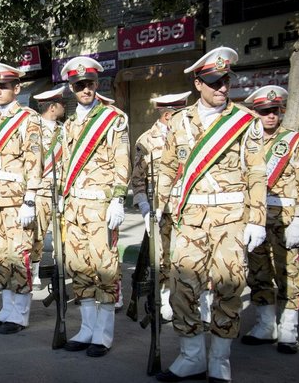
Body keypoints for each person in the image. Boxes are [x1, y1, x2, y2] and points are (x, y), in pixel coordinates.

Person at [155, 47, 267, 383]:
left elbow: (257, 173)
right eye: (214, 81)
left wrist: (257, 219)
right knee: (182, 288)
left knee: (229, 288)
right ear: (198, 83)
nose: (221, 87)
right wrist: (159, 206)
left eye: (226, 80)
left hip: (231, 218)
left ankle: (219, 359)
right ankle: (192, 357)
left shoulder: (246, 121)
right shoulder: (178, 121)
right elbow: (168, 167)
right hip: (188, 217)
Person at [57, 57, 129, 357]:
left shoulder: (113, 118)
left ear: (97, 84)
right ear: (72, 88)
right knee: (80, 268)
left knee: (105, 268)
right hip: (74, 206)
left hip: (101, 206)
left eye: (89, 84)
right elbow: (64, 163)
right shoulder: (70, 123)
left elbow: (121, 159)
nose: (85, 89)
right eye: (79, 85)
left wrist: (118, 197)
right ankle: (86, 328)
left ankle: (103, 333)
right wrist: (61, 193)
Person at [241, 85, 299, 354]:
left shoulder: (296, 141)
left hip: (286, 218)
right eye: (264, 111)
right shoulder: (248, 141)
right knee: (258, 272)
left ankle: (289, 329)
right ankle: (265, 325)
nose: (270, 116)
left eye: (275, 110)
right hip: (256, 218)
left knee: (289, 274)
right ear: (255, 113)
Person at [0, 62, 42, 334]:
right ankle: (6, 308)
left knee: (19, 255)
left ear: (17, 88)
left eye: (3, 86)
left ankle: (20, 313)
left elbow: (34, 159)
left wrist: (30, 198)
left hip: (16, 201)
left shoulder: (28, 119)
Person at [130, 91, 191, 321]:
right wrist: (144, 206)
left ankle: (196, 301)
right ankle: (165, 299)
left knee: (191, 257)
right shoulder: (146, 139)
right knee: (163, 257)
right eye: (181, 114)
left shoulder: (194, 136)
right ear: (168, 115)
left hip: (190, 207)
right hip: (160, 208)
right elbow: (137, 178)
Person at [31, 86, 66, 286]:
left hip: (61, 191)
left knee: (62, 237)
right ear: (52, 107)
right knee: (37, 233)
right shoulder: (34, 129)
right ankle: (34, 271)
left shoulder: (64, 130)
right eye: (60, 103)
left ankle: (58, 272)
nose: (63, 107)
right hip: (41, 191)